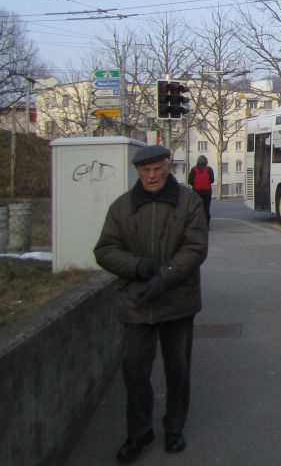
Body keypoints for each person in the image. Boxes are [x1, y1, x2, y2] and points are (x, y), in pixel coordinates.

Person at [94, 145, 209, 462]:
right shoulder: (122, 207)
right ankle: (139, 431)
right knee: (134, 370)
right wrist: (139, 267)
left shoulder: (188, 202)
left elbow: (196, 247)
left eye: (157, 169)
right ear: (138, 172)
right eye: (145, 170)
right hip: (137, 301)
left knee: (178, 370)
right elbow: (105, 250)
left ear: (168, 168)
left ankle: (174, 427)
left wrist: (166, 276)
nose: (152, 175)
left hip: (177, 300)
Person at [187, 155, 215, 227]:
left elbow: (189, 180)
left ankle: (198, 224)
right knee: (206, 208)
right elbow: (212, 180)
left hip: (196, 193)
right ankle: (206, 225)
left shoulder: (194, 169)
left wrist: (195, 184)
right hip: (207, 193)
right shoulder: (209, 169)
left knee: (197, 209)